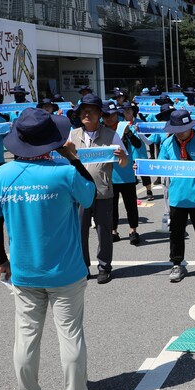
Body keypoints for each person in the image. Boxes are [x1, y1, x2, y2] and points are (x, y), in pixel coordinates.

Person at [0, 107, 104, 390]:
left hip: (24, 270)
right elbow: (90, 196)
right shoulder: (63, 171)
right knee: (70, 333)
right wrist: (75, 158)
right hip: (66, 270)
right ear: (53, 141)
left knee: (26, 335)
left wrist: (1, 260)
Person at [68, 94, 128, 284]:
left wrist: (121, 156)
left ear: (99, 114)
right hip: (79, 194)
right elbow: (66, 162)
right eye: (83, 111)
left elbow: (124, 162)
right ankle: (83, 266)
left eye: (91, 110)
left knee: (104, 232)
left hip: (103, 192)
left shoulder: (111, 135)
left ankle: (104, 267)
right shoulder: (73, 135)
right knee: (80, 232)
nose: (87, 114)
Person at [157, 110, 195, 283]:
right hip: (177, 197)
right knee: (176, 233)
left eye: (184, 129)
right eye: (177, 129)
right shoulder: (168, 143)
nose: (181, 133)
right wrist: (142, 168)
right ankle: (177, 264)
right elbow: (159, 166)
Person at [103, 101, 143, 245]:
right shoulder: (100, 130)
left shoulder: (124, 126)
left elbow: (138, 144)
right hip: (109, 174)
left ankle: (133, 230)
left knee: (131, 205)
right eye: (106, 115)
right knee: (112, 206)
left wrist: (129, 132)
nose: (110, 118)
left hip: (126, 174)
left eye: (113, 115)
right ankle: (113, 231)